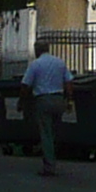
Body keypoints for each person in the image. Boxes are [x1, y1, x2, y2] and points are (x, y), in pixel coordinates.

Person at [23, 36, 71, 176]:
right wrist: (69, 100)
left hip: (43, 100)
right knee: (55, 131)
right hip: (58, 98)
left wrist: (22, 101)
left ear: (37, 50)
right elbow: (68, 82)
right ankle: (55, 155)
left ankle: (49, 165)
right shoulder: (60, 63)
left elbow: (26, 84)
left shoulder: (35, 64)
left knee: (46, 133)